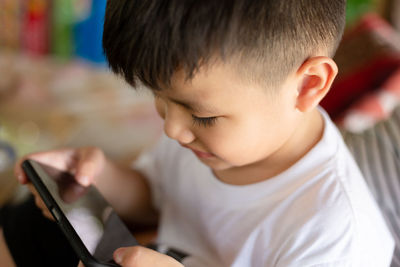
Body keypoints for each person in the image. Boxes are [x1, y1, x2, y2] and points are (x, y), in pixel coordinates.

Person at [0, 0, 395, 266]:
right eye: (160, 98)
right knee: (31, 223)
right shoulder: (211, 141)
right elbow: (156, 196)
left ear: (308, 85)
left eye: (201, 115)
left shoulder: (336, 238)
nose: (172, 128)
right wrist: (98, 176)